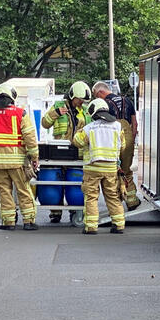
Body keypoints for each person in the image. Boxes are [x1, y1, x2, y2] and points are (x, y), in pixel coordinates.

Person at [0, 82, 39, 231]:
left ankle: (8, 222)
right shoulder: (20, 114)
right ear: (12, 97)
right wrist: (34, 157)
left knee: (4, 192)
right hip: (17, 163)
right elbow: (30, 138)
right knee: (23, 190)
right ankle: (28, 221)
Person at [72, 98, 126, 234]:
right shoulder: (118, 126)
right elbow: (123, 146)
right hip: (111, 168)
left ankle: (91, 227)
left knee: (91, 197)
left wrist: (79, 130)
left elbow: (77, 142)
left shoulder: (90, 128)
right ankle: (118, 225)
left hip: (92, 168)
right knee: (113, 196)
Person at [41, 81, 92, 222]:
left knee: (74, 184)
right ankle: (55, 212)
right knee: (56, 182)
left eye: (83, 101)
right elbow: (44, 123)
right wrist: (55, 114)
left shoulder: (86, 111)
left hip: (78, 154)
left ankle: (74, 211)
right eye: (79, 100)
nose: (81, 103)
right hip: (59, 153)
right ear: (72, 96)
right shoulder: (58, 106)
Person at [92, 80, 141, 210]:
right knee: (126, 170)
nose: (97, 99)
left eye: (96, 96)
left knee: (113, 172)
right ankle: (132, 201)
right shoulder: (127, 100)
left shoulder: (105, 104)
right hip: (128, 136)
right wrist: (131, 138)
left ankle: (116, 203)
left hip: (112, 139)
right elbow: (134, 123)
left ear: (100, 92)